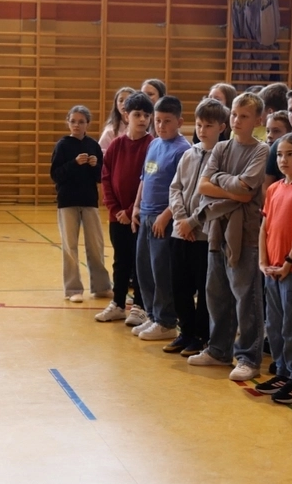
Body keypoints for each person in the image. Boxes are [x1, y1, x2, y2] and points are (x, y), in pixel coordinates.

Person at [189, 91, 268, 381]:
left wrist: (221, 182)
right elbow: (204, 186)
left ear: (258, 120)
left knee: (245, 295)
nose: (236, 120)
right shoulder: (221, 149)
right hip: (216, 230)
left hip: (244, 233)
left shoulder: (261, 150)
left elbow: (248, 188)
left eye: (243, 116)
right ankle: (219, 349)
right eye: (234, 114)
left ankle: (248, 357)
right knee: (216, 292)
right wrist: (229, 186)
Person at [254, 133, 292, 404]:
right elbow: (265, 227)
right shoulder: (274, 189)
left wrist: (289, 262)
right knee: (275, 324)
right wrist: (263, 261)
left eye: (291, 154)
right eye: (280, 154)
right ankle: (281, 371)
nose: (283, 159)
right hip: (273, 270)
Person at [167, 98, 226, 356]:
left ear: (221, 127)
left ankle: (201, 335)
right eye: (199, 125)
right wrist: (181, 220)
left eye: (209, 125)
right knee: (178, 286)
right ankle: (186, 331)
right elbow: (175, 188)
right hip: (180, 232)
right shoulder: (189, 154)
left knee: (203, 289)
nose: (202, 130)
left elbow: (217, 197)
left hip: (203, 235)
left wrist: (193, 222)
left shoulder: (224, 157)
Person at [130, 95, 190, 341]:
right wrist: (136, 206)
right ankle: (153, 316)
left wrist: (166, 215)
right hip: (145, 213)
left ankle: (166, 320)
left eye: (167, 121)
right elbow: (145, 177)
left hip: (163, 218)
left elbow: (184, 190)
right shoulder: (153, 144)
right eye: (158, 120)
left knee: (161, 270)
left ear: (179, 122)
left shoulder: (183, 150)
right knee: (143, 269)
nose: (161, 125)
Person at [96, 91, 153, 324]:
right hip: (116, 215)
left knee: (140, 262)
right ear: (126, 115)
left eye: (146, 115)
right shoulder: (116, 145)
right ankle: (118, 303)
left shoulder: (152, 145)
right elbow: (106, 177)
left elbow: (148, 181)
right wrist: (115, 209)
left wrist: (130, 211)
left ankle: (139, 305)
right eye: (137, 114)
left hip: (138, 215)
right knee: (121, 260)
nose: (142, 119)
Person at [50, 106, 112, 303]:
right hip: (67, 201)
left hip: (89, 201)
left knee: (95, 245)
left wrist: (96, 166)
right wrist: (74, 163)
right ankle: (73, 288)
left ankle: (101, 287)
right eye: (73, 121)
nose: (76, 125)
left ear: (87, 124)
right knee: (70, 246)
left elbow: (101, 177)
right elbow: (55, 174)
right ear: (68, 122)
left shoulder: (93, 145)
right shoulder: (62, 145)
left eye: (81, 121)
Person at [98, 86, 135, 150]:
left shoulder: (142, 126)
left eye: (127, 100)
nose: (124, 103)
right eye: (121, 100)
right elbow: (101, 153)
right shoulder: (109, 131)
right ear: (116, 105)